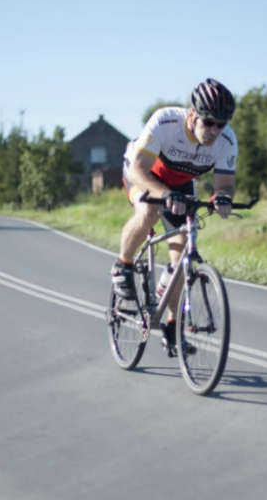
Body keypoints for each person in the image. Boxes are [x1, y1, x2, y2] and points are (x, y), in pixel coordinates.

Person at [111, 78, 238, 356]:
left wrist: (222, 198)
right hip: (144, 171)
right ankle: (123, 265)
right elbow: (138, 171)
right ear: (192, 115)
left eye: (221, 124)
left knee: (183, 255)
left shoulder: (227, 141)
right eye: (209, 122)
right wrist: (164, 193)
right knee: (149, 210)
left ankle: (171, 325)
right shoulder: (166, 122)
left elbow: (224, 185)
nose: (215, 130)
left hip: (181, 182)